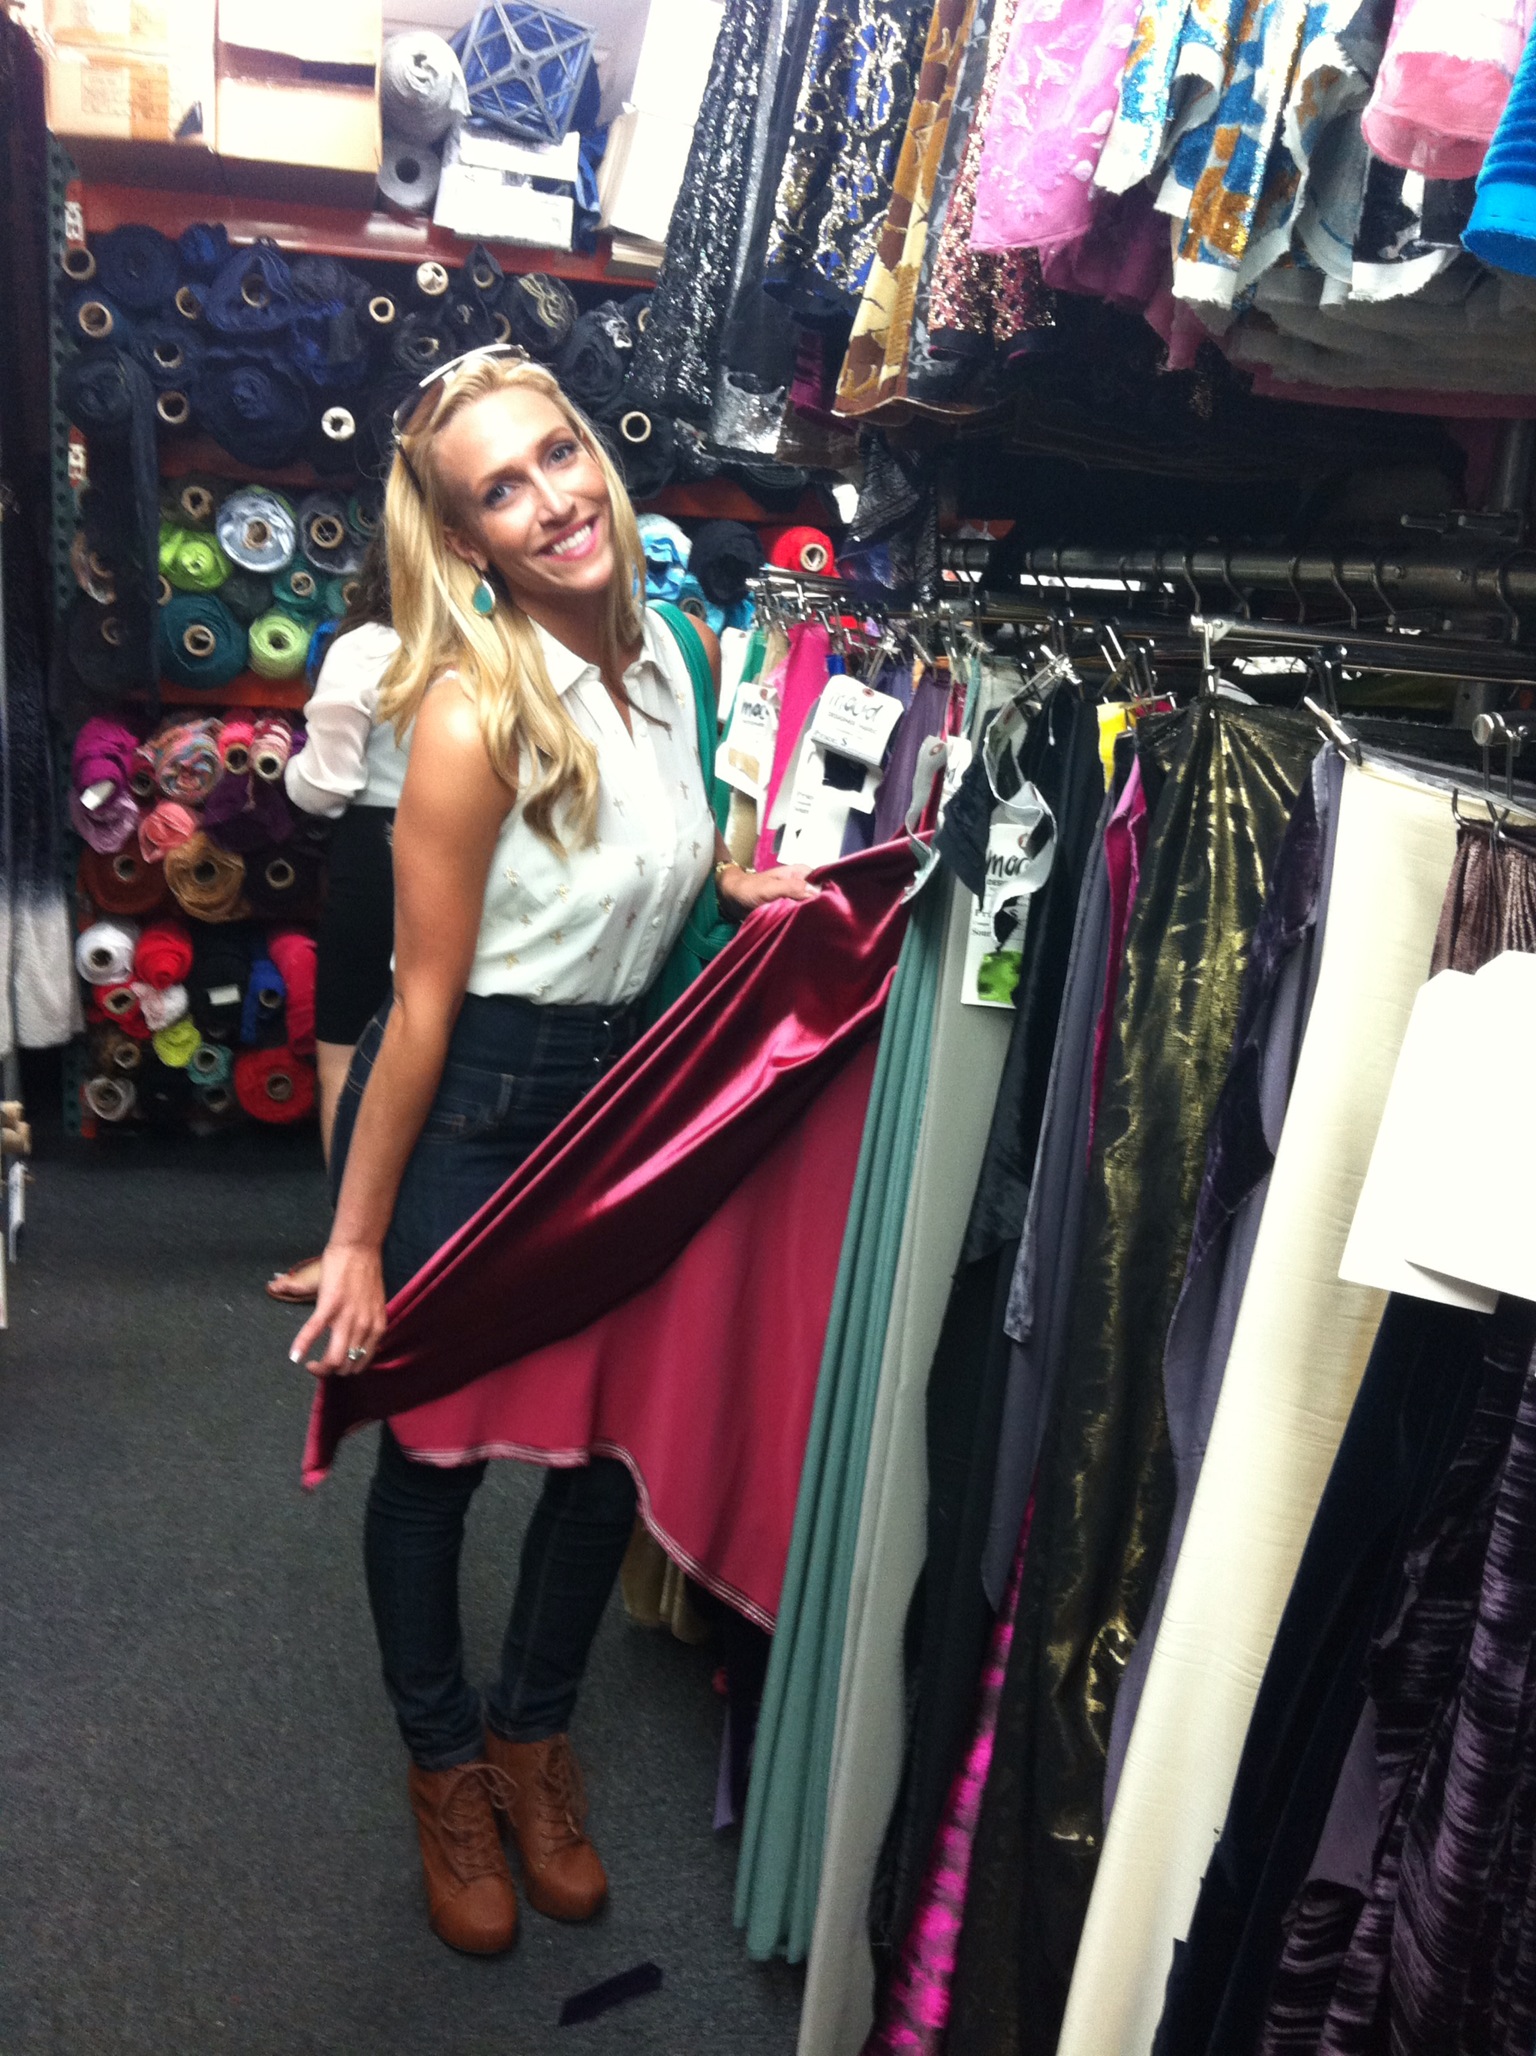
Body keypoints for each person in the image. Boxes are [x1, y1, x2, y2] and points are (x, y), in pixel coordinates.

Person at [290, 346, 816, 1958]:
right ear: (466, 541)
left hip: (627, 1091)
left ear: (598, 454)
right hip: (481, 1097)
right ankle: (444, 1770)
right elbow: (421, 1004)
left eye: (559, 455)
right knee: (437, 1459)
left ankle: (533, 1742)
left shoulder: (682, 658)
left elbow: (657, 848)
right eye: (500, 491)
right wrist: (359, 1236)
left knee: (600, 1458)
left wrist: (727, 886)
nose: (552, 501)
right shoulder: (469, 711)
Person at [267, 538, 402, 1305]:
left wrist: (291, 766)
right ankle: (430, 1244)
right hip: (475, 854)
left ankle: (349, 1251)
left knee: (346, 1056)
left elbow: (325, 787)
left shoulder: (364, 649)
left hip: (377, 856)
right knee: (445, 1046)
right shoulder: (492, 639)